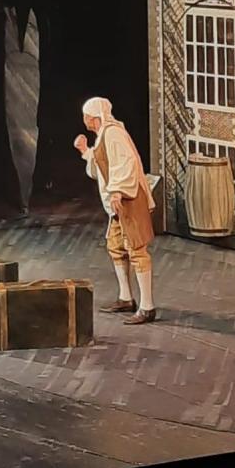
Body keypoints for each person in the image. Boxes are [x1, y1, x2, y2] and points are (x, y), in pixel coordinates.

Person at [74, 97, 156, 324]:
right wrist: (85, 151)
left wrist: (118, 191)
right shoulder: (103, 135)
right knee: (116, 246)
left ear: (94, 117)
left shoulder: (113, 133)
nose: (84, 120)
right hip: (119, 202)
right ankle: (126, 298)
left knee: (136, 250)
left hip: (129, 198)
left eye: (86, 116)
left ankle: (147, 307)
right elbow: (102, 168)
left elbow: (126, 163)